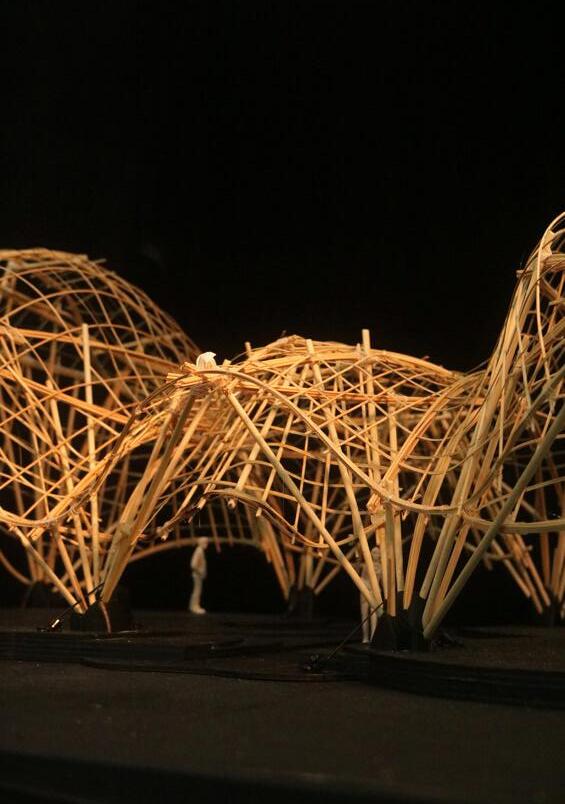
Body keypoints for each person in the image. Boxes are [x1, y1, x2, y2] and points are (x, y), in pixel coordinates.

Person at [359, 545, 383, 643]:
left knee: (374, 615)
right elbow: (361, 578)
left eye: (377, 552)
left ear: (380, 554)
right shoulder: (366, 565)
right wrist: (366, 587)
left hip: (375, 592)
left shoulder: (382, 567)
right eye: (373, 552)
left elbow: (382, 582)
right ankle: (365, 637)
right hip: (366, 591)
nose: (375, 554)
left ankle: (373, 637)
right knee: (364, 615)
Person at [189, 537, 209, 614]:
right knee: (197, 591)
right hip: (197, 575)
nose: (206, 544)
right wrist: (200, 571)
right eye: (205, 543)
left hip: (198, 575)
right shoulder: (199, 551)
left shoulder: (200, 551)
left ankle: (194, 606)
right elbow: (193, 564)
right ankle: (194, 606)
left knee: (197, 591)